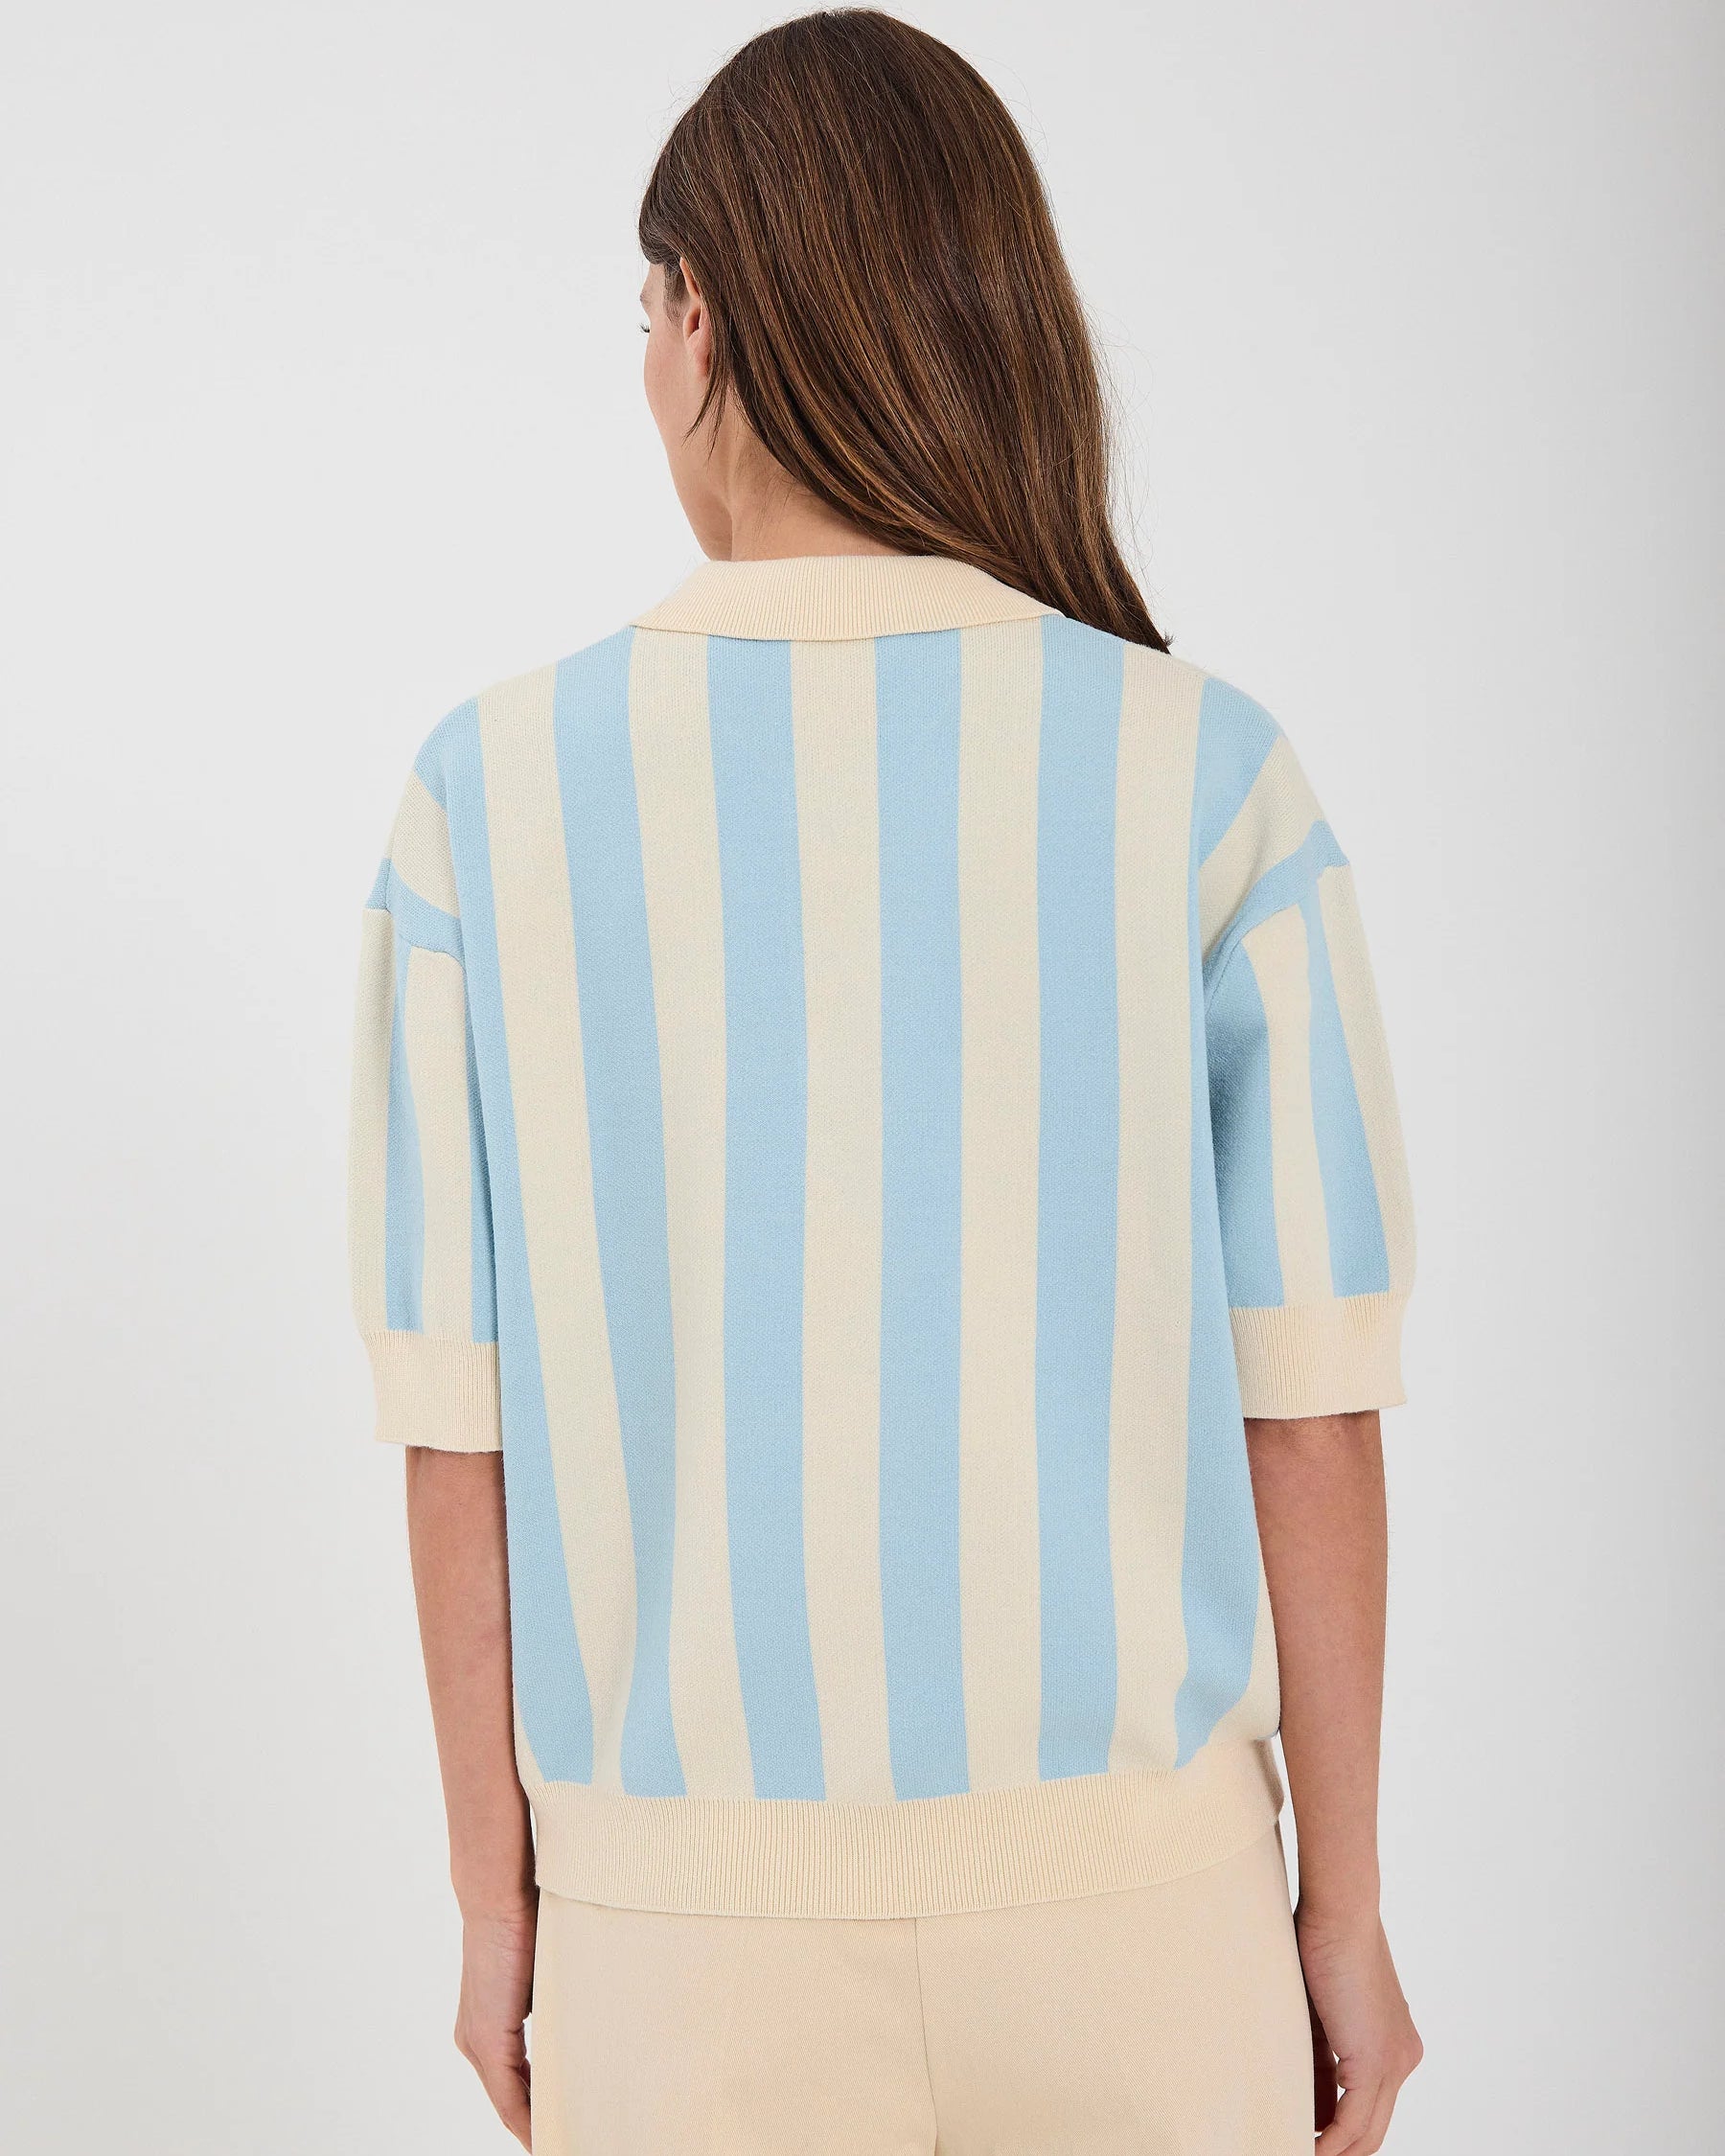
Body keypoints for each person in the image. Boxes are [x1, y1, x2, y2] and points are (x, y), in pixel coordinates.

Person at [348, 11, 1423, 2151]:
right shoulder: (1205, 773)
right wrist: (1346, 1911)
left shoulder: (486, 800)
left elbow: (459, 1438)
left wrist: (495, 1909)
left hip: (679, 1946)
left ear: (697, 321)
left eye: (643, 313)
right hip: (1142, 1918)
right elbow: (1308, 1408)